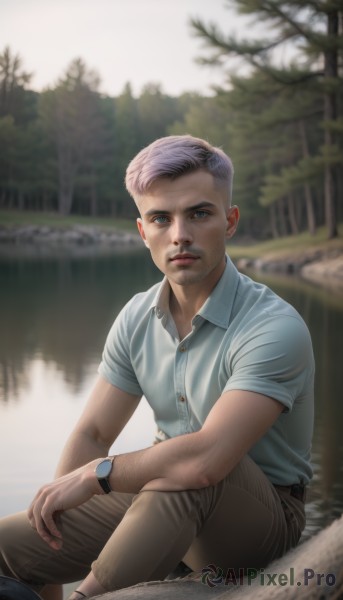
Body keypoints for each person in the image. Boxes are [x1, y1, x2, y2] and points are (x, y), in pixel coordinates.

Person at [0, 135, 314, 600]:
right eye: (161, 218)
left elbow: (206, 462)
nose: (179, 234)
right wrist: (52, 529)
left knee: (191, 467)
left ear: (229, 222)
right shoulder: (136, 316)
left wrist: (94, 477)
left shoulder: (274, 327)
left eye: (199, 214)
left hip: (257, 524)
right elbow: (91, 435)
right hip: (161, 498)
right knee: (8, 547)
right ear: (142, 231)